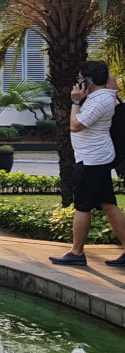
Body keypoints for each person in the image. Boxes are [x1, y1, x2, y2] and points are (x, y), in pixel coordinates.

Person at [49, 60, 125, 267]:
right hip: (96, 157)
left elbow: (76, 126)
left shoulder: (100, 100)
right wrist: (93, 79)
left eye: (81, 79)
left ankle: (77, 253)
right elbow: (108, 78)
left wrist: (75, 101)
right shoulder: (104, 94)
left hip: (92, 160)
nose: (78, 82)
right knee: (108, 204)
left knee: (82, 207)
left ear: (89, 81)